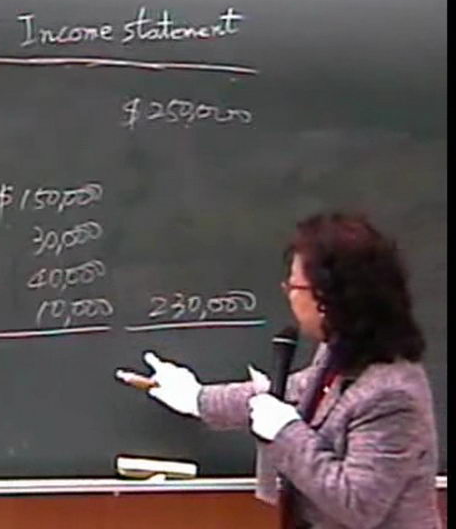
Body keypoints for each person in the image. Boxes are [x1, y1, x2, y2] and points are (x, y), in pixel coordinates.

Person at [116, 212, 440, 528]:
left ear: (328, 298)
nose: (288, 295)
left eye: (295, 286)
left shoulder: (391, 395)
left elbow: (357, 505)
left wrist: (286, 432)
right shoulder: (339, 354)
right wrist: (197, 398)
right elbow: (287, 392)